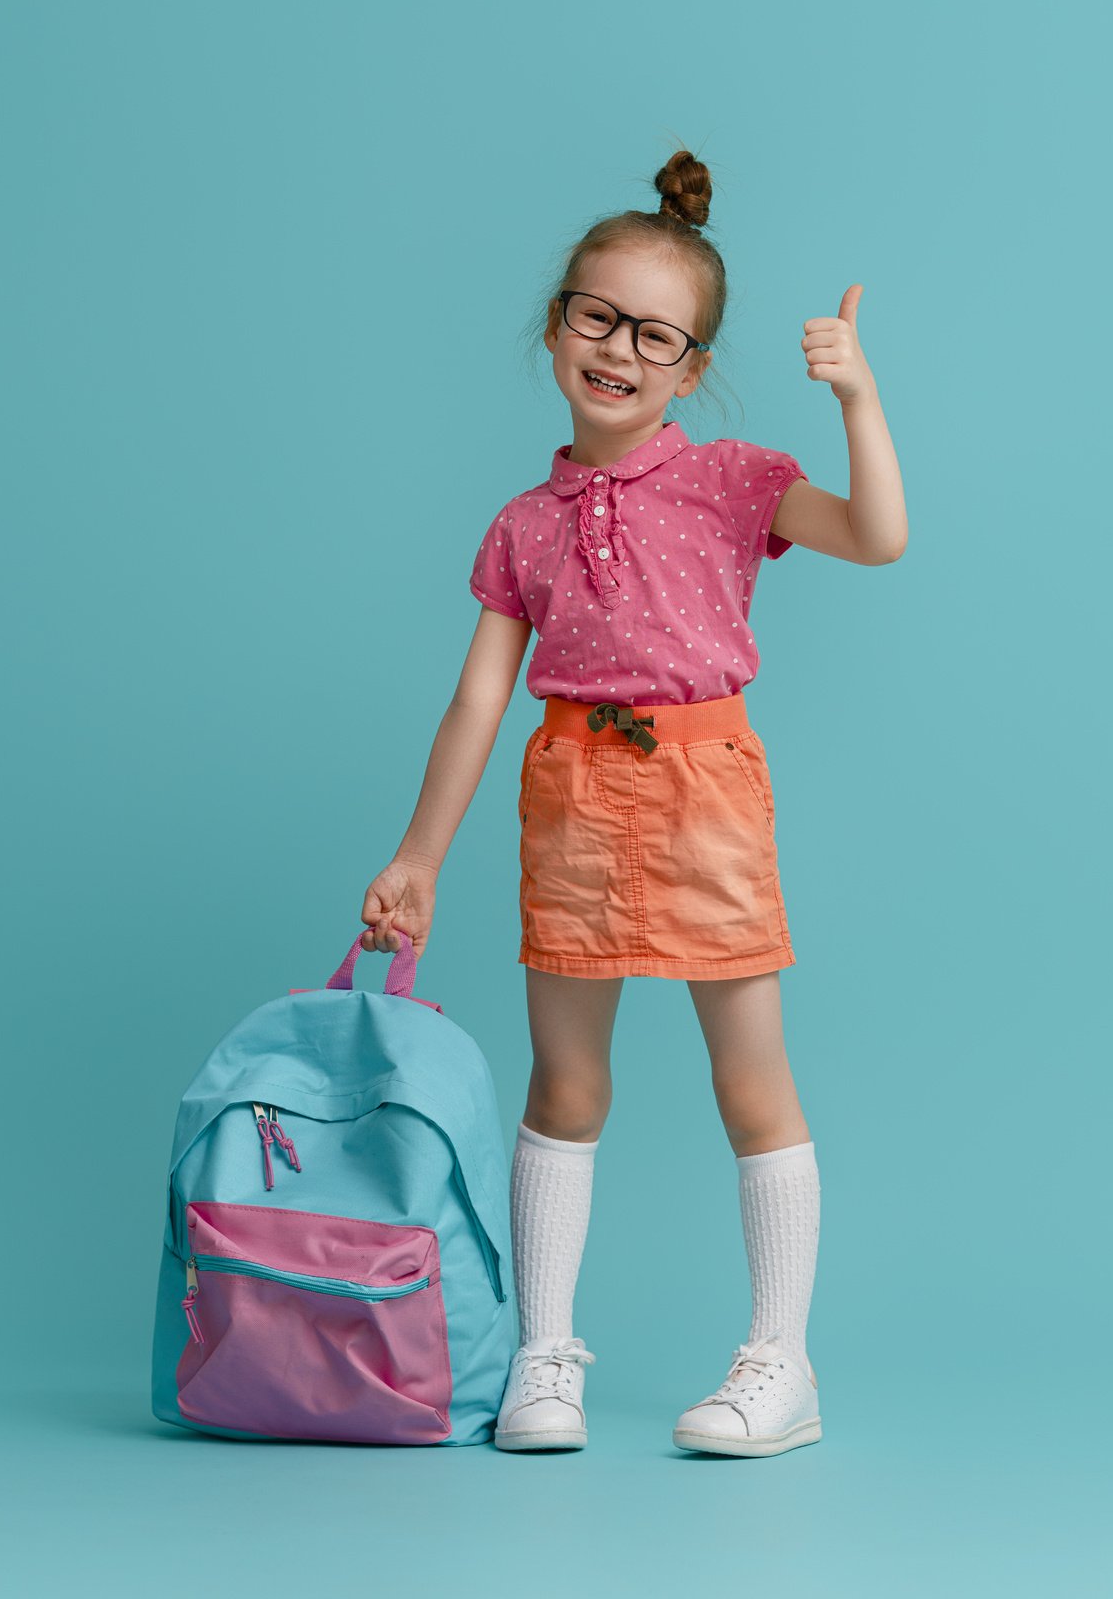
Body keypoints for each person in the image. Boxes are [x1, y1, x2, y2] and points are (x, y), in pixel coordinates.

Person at [358, 146, 907, 1456]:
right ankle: (545, 1358)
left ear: (691, 365)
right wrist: (419, 853)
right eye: (598, 317)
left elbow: (879, 535)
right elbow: (478, 703)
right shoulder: (519, 526)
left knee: (749, 1078)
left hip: (706, 789)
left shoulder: (733, 481)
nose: (619, 349)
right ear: (557, 322)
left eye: (655, 335)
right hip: (573, 797)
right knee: (569, 1077)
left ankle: (782, 1362)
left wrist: (860, 401)